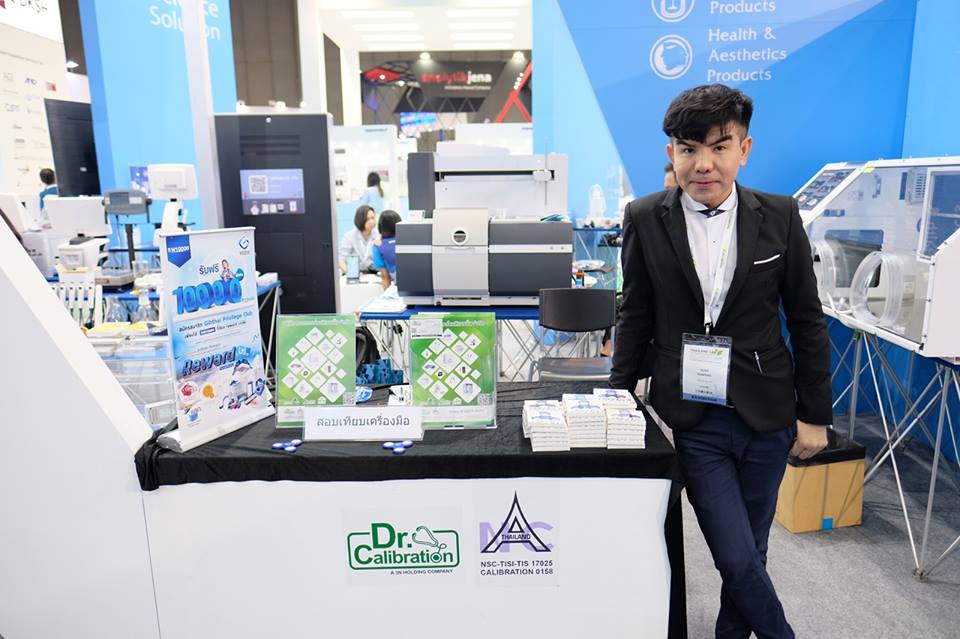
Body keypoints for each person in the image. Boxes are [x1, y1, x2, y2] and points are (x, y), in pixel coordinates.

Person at [610, 84, 830, 639]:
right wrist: (617, 396)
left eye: (719, 147)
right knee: (734, 555)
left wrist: (814, 414)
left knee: (752, 550)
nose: (703, 164)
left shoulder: (779, 215)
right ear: (672, 153)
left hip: (767, 412)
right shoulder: (644, 217)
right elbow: (635, 312)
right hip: (695, 415)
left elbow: (806, 319)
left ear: (744, 150)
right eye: (689, 149)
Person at [338, 205, 377, 273]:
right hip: (354, 273)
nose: (371, 221)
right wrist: (350, 274)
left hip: (373, 273)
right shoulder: (349, 236)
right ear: (360, 220)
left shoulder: (377, 235)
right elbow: (341, 260)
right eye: (367, 219)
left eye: (373, 218)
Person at [371, 209, 401, 290]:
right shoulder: (408, 240)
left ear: (381, 226)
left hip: (399, 286)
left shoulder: (378, 246)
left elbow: (385, 277)